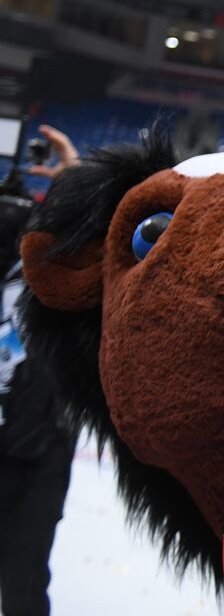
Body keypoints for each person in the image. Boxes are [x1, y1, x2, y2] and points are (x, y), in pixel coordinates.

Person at [0, 133, 77, 616]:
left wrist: (73, 181)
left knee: (25, 585)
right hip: (37, 443)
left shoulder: (52, 256)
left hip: (38, 448)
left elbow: (104, 234)